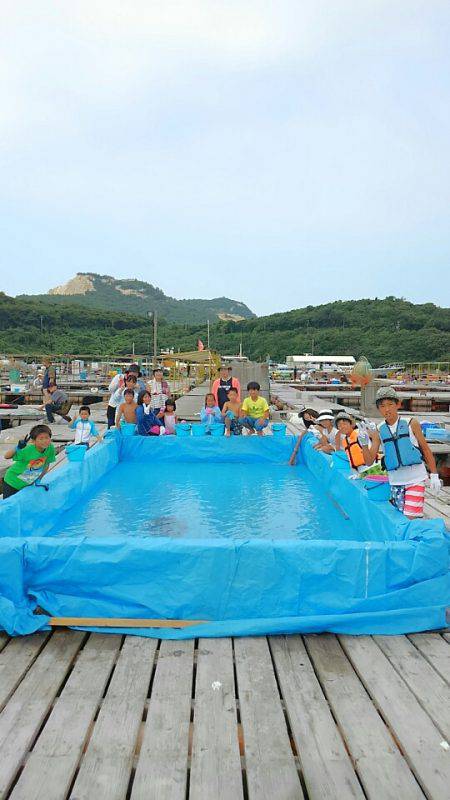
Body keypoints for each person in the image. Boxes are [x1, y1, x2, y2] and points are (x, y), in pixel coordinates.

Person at [359, 386, 440, 519]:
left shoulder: (411, 423)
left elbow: (425, 449)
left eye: (390, 404)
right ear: (378, 408)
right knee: (401, 518)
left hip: (416, 479)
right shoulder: (379, 430)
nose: (387, 409)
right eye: (382, 406)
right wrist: (363, 443)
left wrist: (434, 474)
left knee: (410, 517)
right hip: (395, 482)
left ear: (398, 404)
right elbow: (369, 461)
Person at [2, 424, 56, 499]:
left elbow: (46, 464)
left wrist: (39, 479)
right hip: (12, 482)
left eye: (47, 437)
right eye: (41, 438)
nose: (45, 441)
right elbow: (6, 456)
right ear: (34, 441)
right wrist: (18, 448)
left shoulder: (50, 448)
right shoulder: (27, 449)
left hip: (27, 483)